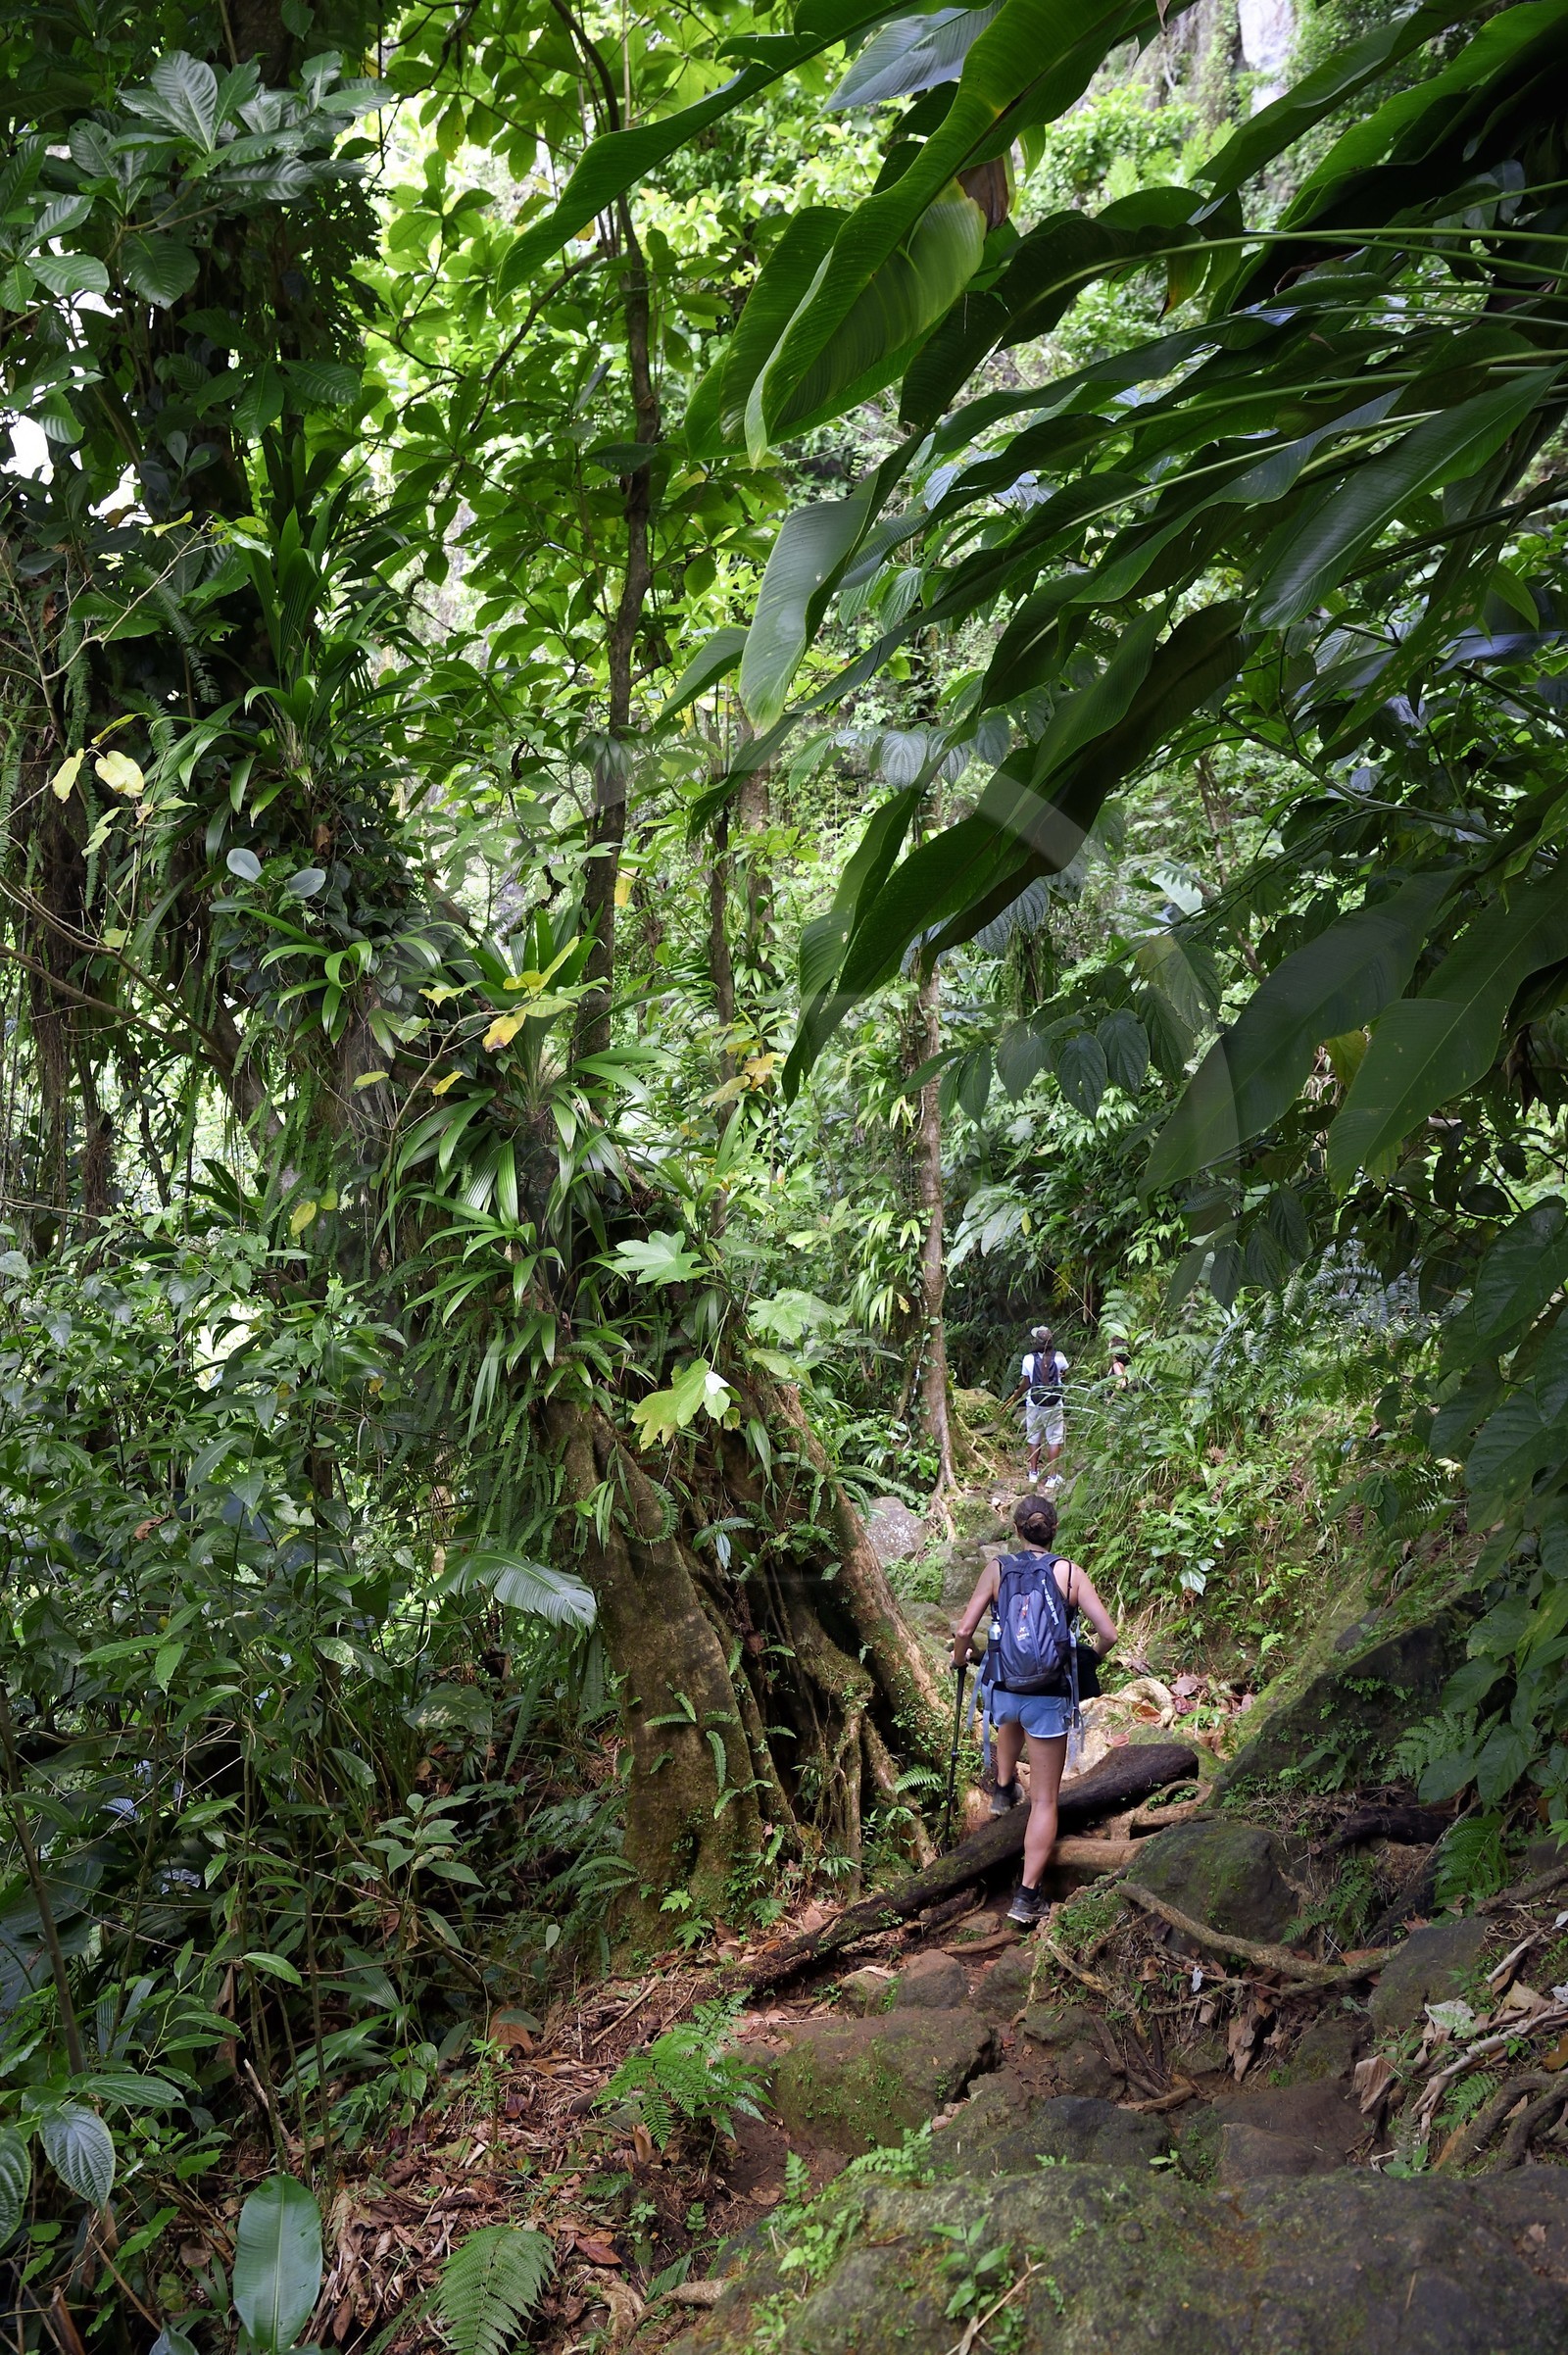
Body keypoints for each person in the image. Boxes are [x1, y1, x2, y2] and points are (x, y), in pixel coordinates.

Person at [951, 1494, 1116, 1929]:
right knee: (1045, 1800)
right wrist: (1088, 1659)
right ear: (1054, 1530)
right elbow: (1108, 1633)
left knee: (1008, 1717)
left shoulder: (998, 1569)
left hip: (1004, 1690)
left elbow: (966, 1629)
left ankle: (1003, 1789)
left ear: (1017, 1530)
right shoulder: (1069, 1573)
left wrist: (959, 1657)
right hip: (1048, 1695)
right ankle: (1027, 1896)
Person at [1021, 1324, 1068, 1484]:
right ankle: (1052, 1477)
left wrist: (1016, 1396)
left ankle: (1033, 1473)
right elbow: (1064, 1374)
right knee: (1054, 1438)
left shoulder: (1028, 1359)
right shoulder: (1060, 1357)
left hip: (1033, 1403)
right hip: (1054, 1404)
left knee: (1033, 1436)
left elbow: (1026, 1382)